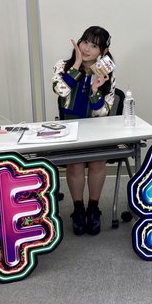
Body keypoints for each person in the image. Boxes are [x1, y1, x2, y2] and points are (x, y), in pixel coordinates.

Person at [52, 26, 115, 236]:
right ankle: (78, 209)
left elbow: (103, 112)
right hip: (70, 129)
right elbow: (61, 90)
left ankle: (93, 208)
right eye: (85, 42)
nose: (87, 48)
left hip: (97, 130)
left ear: (103, 52)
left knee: (97, 162)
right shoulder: (62, 66)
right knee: (76, 164)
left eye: (94, 46)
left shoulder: (106, 73)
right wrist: (77, 65)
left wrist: (96, 91)